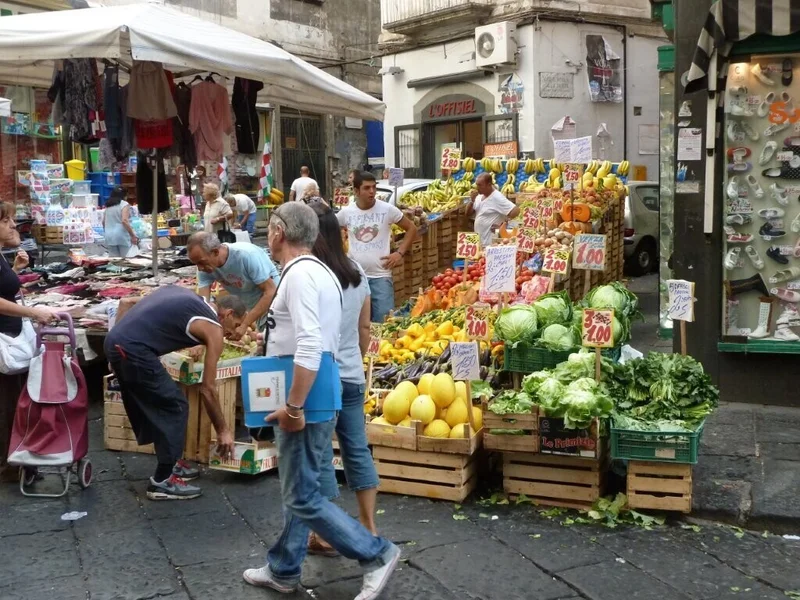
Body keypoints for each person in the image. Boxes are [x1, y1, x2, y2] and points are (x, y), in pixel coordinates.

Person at [242, 202, 400, 599]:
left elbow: (311, 342)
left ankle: (376, 553)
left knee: (302, 494)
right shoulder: (320, 272)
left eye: (271, 229)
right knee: (300, 487)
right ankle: (283, 568)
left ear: (278, 231)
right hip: (318, 390)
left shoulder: (299, 275)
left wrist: (294, 406)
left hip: (306, 398)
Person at [105, 287, 242, 500]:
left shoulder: (191, 298)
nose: (233, 333)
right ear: (228, 314)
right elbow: (208, 389)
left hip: (117, 342)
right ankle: (162, 481)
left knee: (165, 403)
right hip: (132, 350)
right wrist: (223, 430)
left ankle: (172, 464)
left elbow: (127, 302)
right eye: (235, 326)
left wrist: (115, 349)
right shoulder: (214, 328)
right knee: (174, 406)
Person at [310, 202, 379, 555]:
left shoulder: (312, 274)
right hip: (352, 374)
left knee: (321, 454)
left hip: (323, 378)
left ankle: (325, 533)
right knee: (356, 449)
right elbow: (364, 327)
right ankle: (368, 524)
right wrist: (358, 360)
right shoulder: (355, 271)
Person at [0, 202, 60, 483]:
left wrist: (15, 270)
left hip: (11, 338)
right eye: (6, 220)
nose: (13, 224)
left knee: (16, 403)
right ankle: (11, 463)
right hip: (4, 342)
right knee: (8, 405)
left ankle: (18, 460)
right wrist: (33, 312)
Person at [337, 171, 417, 322]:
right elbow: (330, 231)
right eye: (367, 188)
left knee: (384, 323)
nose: (372, 191)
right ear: (356, 191)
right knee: (358, 324)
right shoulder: (346, 213)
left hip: (381, 277)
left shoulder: (388, 210)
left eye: (374, 187)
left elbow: (412, 229)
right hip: (356, 278)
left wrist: (399, 253)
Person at [187, 232, 279, 336]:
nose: (200, 268)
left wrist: (245, 324)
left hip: (275, 306)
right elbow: (203, 304)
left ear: (215, 252)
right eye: (196, 264)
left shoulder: (246, 256)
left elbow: (271, 292)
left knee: (274, 343)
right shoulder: (204, 268)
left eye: (201, 262)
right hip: (253, 308)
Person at [469, 172, 520, 248]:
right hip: (479, 242)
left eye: (480, 185)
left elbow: (516, 210)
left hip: (490, 243)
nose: (477, 187)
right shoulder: (479, 196)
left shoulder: (497, 197)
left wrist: (503, 224)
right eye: (476, 185)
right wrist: (471, 201)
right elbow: (468, 213)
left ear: (489, 185)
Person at [102, 186, 139, 257]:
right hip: (121, 235)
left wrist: (107, 231)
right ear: (124, 195)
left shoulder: (109, 205)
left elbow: (103, 222)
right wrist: (133, 235)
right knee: (126, 260)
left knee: (114, 261)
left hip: (109, 235)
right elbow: (124, 220)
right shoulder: (124, 204)